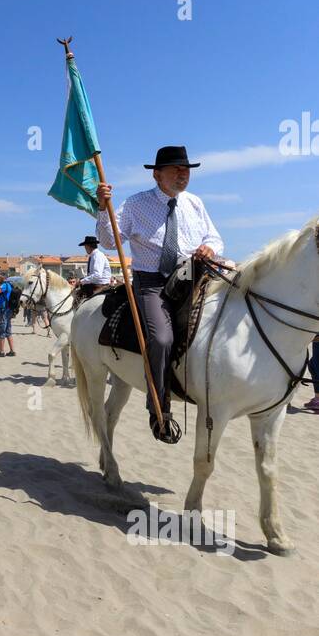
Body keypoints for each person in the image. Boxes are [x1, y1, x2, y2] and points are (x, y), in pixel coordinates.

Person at [96, 144, 223, 443]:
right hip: (152, 282)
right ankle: (159, 409)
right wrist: (103, 209)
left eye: (187, 170)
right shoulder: (136, 204)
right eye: (176, 170)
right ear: (157, 175)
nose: (183, 175)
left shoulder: (195, 203)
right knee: (162, 338)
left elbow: (214, 236)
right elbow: (108, 240)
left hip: (192, 276)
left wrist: (210, 248)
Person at [71, 235, 112, 302]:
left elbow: (97, 275)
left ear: (88, 246)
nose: (85, 248)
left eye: (85, 246)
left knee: (77, 301)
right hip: (95, 285)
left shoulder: (97, 256)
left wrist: (81, 281)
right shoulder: (94, 256)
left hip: (100, 286)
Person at [0, 277, 16, 357]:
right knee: (8, 331)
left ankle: (1, 351)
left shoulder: (4, 286)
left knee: (1, 331)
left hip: (3, 310)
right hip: (9, 310)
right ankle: (12, 351)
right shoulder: (9, 285)